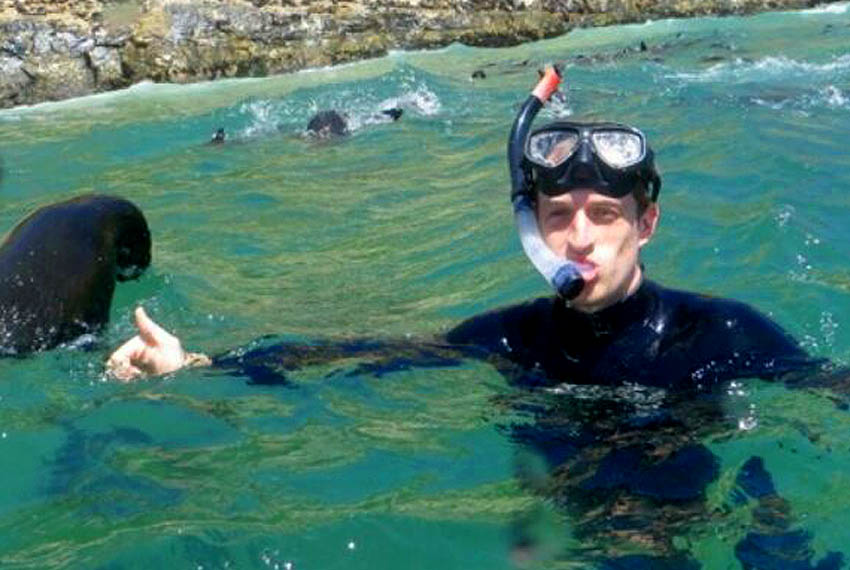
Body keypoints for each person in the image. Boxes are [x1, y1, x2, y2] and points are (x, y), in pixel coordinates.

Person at [104, 67, 843, 568]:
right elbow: (355, 358)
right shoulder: (513, 339)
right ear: (533, 227)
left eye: (604, 215)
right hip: (586, 528)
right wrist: (201, 365)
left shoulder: (718, 334)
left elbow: (829, 387)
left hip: (701, 503)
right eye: (558, 215)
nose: (579, 238)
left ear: (645, 225)